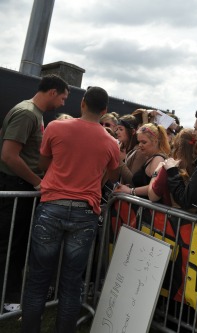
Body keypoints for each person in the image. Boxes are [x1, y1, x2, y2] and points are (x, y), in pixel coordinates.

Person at [21, 86, 121, 333]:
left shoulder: (56, 127)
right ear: (105, 110)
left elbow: (43, 162)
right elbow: (111, 174)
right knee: (72, 282)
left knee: (38, 279)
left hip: (52, 206)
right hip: (85, 213)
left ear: (83, 103)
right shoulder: (111, 142)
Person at [0, 74, 69, 305]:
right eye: (63, 97)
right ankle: (7, 298)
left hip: (19, 186)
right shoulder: (27, 112)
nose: (63, 103)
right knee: (10, 244)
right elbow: (9, 155)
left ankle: (9, 294)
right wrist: (37, 182)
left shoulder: (32, 112)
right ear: (53, 92)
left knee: (15, 243)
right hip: (15, 186)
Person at [114, 123, 170, 199]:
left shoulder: (158, 159)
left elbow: (154, 187)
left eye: (144, 142)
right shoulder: (151, 158)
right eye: (139, 142)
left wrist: (131, 190)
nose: (140, 145)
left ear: (155, 141)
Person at [148, 128, 197, 207]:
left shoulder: (169, 166)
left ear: (176, 146)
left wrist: (155, 173)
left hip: (172, 217)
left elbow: (152, 196)